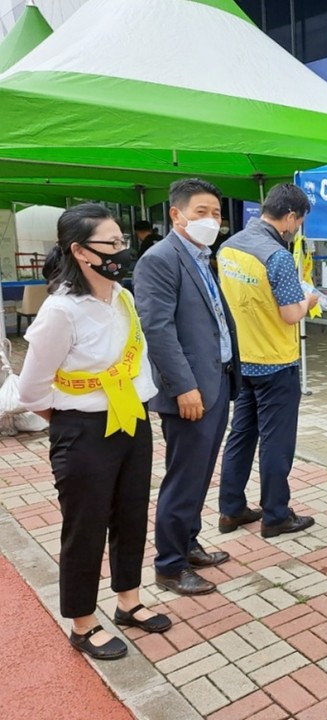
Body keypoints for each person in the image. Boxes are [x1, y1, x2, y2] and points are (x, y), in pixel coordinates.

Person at [18, 203, 171, 660]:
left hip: (133, 420)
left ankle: (129, 600)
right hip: (83, 431)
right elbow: (31, 390)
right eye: (112, 244)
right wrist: (71, 424)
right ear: (80, 251)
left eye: (122, 242)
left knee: (130, 515)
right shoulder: (61, 311)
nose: (121, 251)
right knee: (86, 527)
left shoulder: (121, 297)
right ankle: (83, 623)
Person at [134, 179, 243, 596]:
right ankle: (169, 564)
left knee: (200, 472)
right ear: (176, 214)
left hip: (216, 382)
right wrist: (184, 386)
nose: (211, 220)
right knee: (184, 476)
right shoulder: (160, 259)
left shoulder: (201, 257)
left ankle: (188, 541)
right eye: (201, 212)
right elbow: (157, 329)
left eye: (216, 213)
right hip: (190, 390)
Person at [217, 184, 319, 537]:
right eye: (300, 220)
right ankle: (276, 515)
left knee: (241, 436)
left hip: (242, 361)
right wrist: (312, 299)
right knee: (276, 442)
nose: (298, 228)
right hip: (277, 362)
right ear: (290, 217)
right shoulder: (277, 256)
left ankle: (231, 510)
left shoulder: (228, 249)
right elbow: (292, 314)